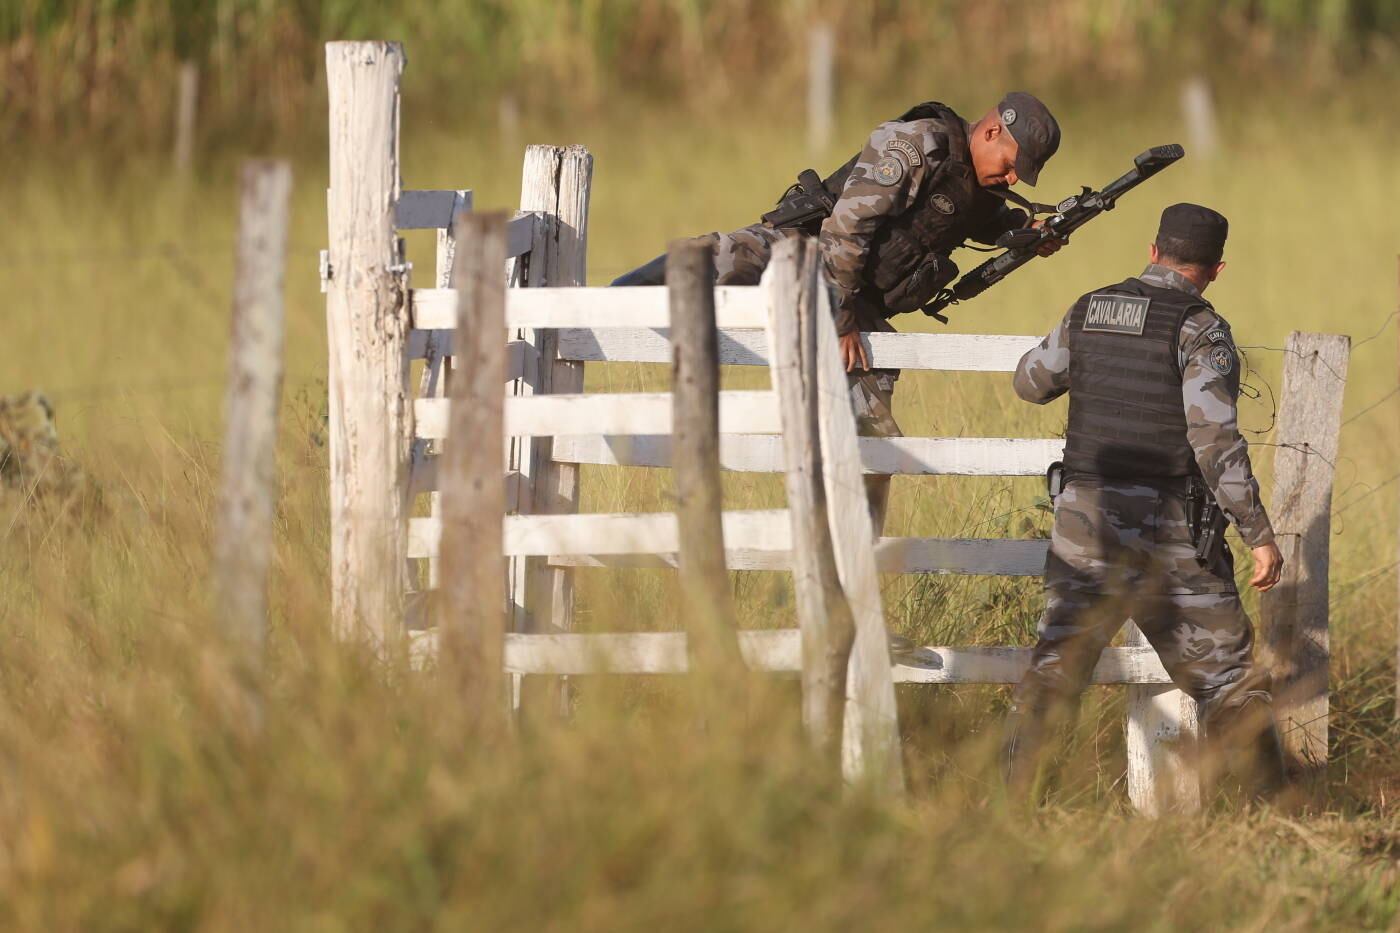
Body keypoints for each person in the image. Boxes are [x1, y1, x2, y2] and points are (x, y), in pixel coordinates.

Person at [613, 92, 1064, 526]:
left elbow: (975, 220)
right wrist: (840, 316)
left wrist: (1028, 233)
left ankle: (852, 552)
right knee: (717, 261)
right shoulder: (917, 146)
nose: (1011, 180)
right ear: (989, 133)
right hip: (807, 252)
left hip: (857, 297)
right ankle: (594, 309)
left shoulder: (976, 183)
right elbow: (846, 230)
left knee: (876, 444)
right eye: (1010, 166)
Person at [1002, 203, 1287, 802]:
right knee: (1231, 680)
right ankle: (1276, 819)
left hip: (1085, 524)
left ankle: (1016, 814)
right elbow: (1214, 438)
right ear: (1215, 269)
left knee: (1056, 671)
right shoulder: (1201, 327)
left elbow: (1031, 382)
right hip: (1170, 531)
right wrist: (1257, 532)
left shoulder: (1088, 308)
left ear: (1153, 251)